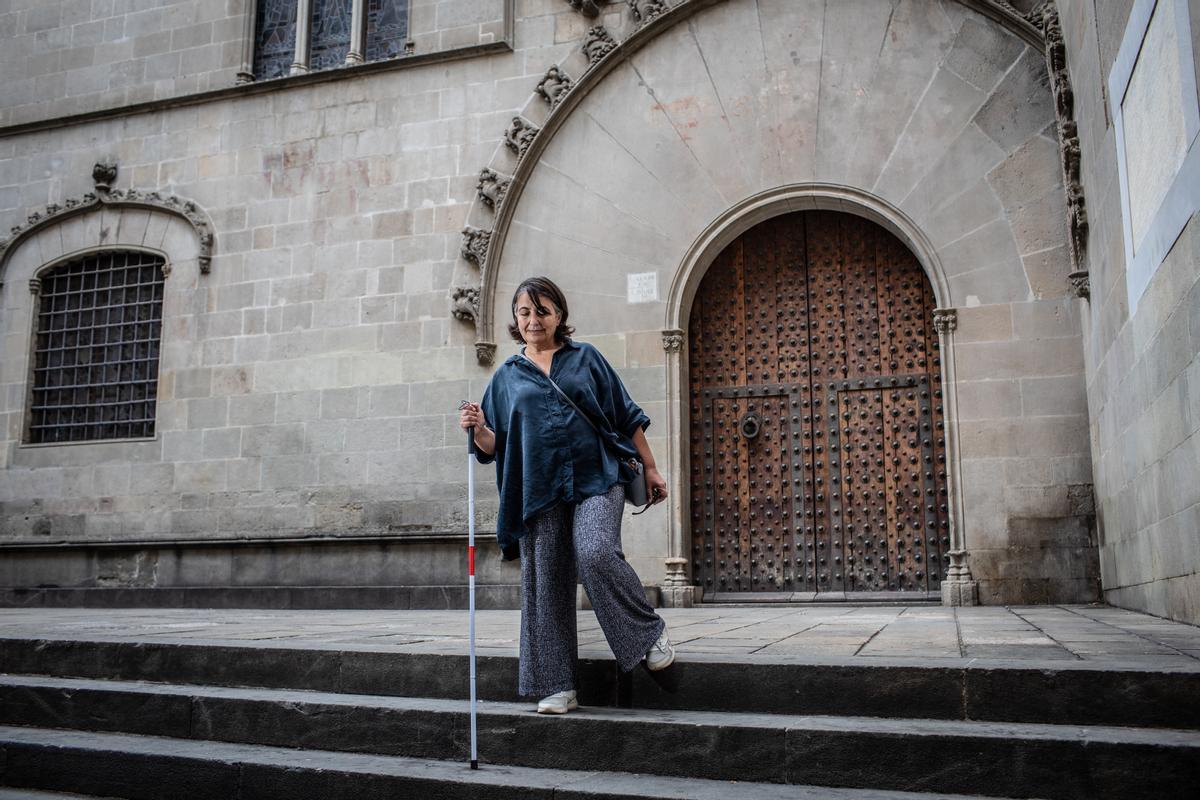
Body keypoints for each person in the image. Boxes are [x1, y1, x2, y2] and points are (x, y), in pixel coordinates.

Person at [458, 276, 674, 714]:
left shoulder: (586, 359)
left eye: (542, 310)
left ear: (560, 315)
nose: (534, 320)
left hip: (598, 476)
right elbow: (494, 446)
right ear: (515, 320)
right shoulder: (505, 378)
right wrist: (478, 428)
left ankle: (647, 633)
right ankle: (555, 684)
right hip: (537, 488)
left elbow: (625, 415)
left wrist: (650, 466)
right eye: (525, 312)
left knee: (595, 552)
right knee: (547, 582)